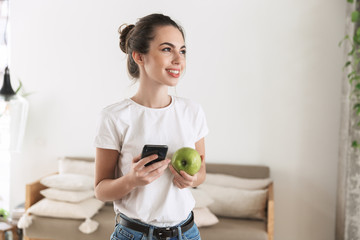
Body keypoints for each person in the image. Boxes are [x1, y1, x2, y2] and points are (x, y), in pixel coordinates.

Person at [94, 13, 208, 240]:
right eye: (167, 49)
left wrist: (192, 179)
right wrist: (131, 180)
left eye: (182, 51)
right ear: (139, 56)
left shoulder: (192, 111)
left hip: (186, 233)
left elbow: (202, 170)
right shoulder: (115, 116)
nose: (178, 59)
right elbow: (100, 190)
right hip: (134, 234)